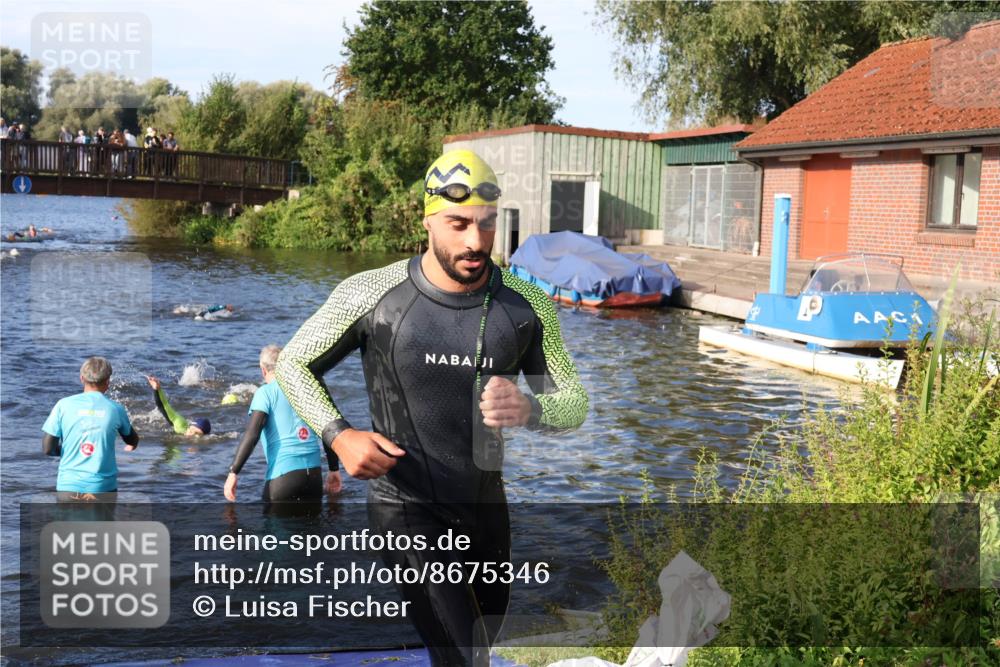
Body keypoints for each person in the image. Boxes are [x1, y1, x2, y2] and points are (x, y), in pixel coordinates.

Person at [276, 148, 588, 666]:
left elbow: (574, 403)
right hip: (407, 506)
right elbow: (293, 363)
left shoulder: (527, 306)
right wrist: (339, 434)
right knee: (466, 660)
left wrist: (530, 408)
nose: (475, 240)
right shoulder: (373, 293)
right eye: (458, 223)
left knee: (479, 651)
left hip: (487, 511)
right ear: (427, 221)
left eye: (487, 225)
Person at [224, 345, 341, 504]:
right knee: (311, 528)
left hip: (283, 478)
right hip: (314, 477)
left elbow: (252, 434)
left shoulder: (265, 393)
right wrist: (334, 469)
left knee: (272, 527)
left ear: (263, 369)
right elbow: (329, 426)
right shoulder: (306, 389)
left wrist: (233, 472)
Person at [42, 357, 139, 502]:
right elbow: (131, 439)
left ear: (82, 378)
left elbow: (48, 449)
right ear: (108, 381)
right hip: (103, 488)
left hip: (68, 486)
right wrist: (132, 444)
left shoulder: (63, 405)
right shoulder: (115, 409)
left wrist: (66, 450)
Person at [146, 375, 211, 437]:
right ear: (189, 427)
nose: (191, 435)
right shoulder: (180, 424)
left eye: (197, 434)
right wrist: (157, 389)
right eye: (191, 431)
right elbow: (164, 405)